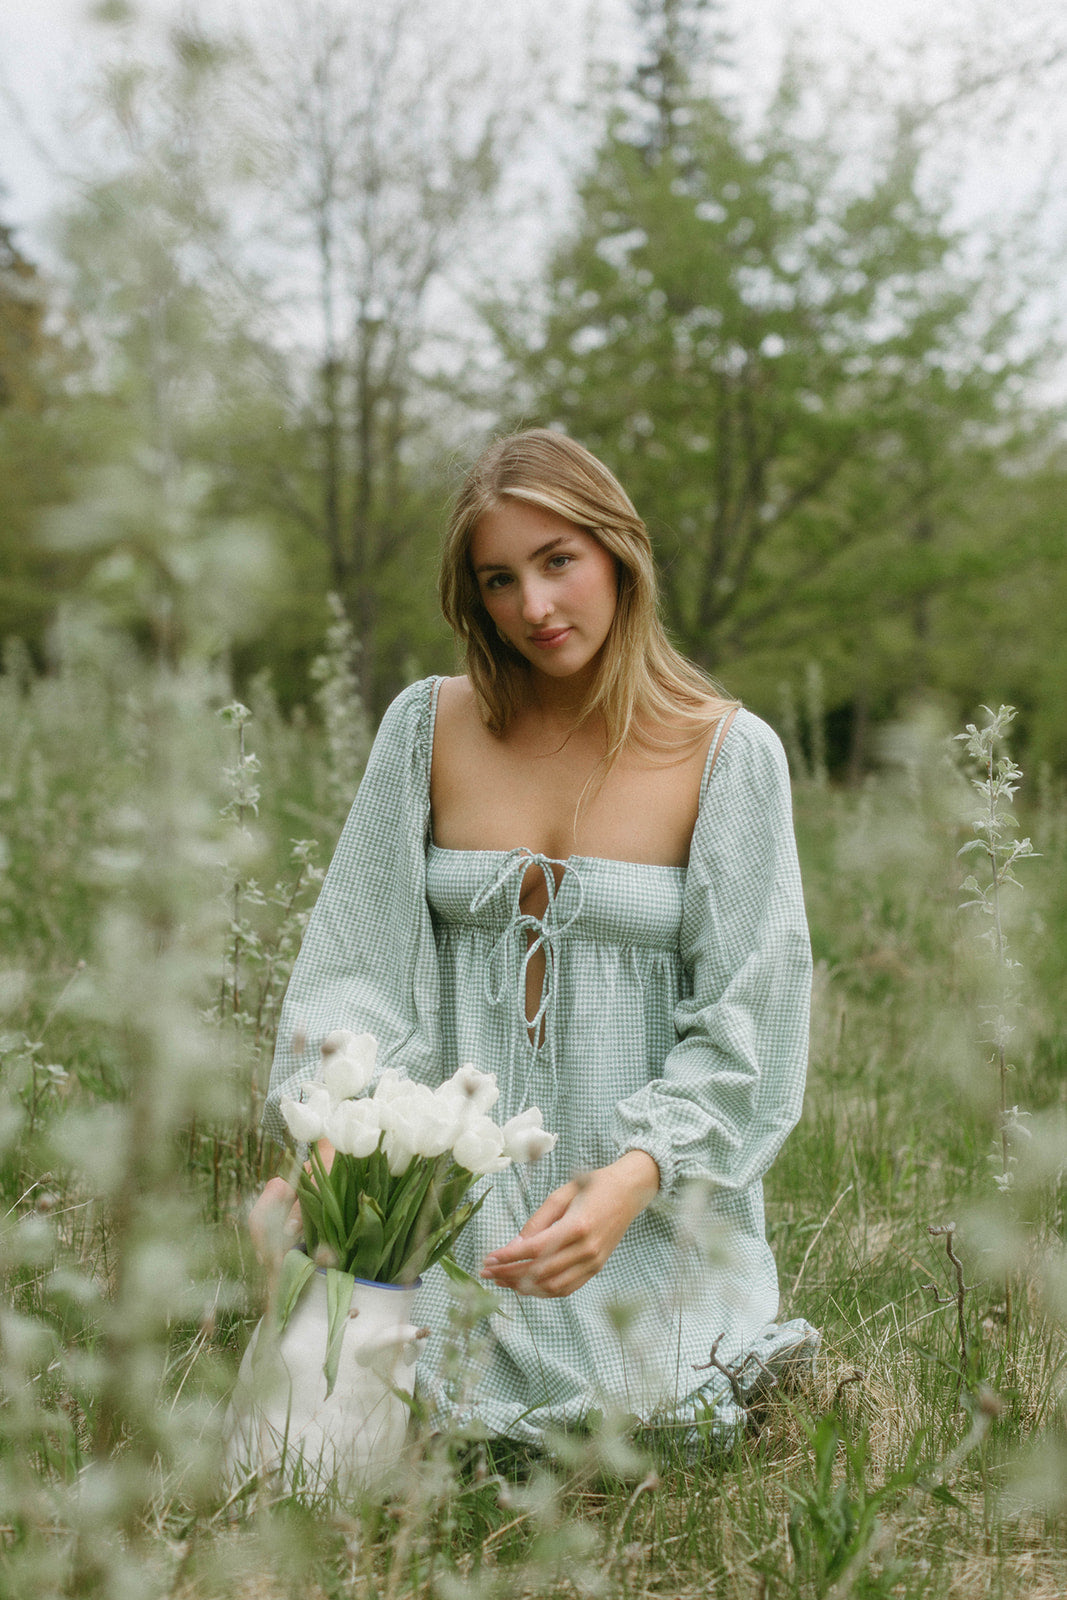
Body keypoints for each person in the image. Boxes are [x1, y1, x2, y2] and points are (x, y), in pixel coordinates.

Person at [251, 429, 817, 1447]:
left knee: (643, 1420)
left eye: (558, 561)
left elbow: (750, 1028)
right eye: (499, 579)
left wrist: (634, 1174)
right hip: (442, 1200)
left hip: (634, 1210)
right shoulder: (428, 728)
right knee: (324, 1418)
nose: (534, 608)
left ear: (618, 554)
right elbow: (352, 972)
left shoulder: (728, 754)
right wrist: (333, 1136)